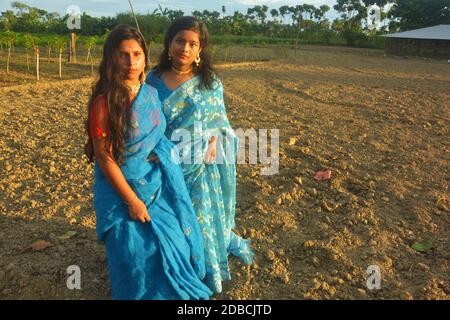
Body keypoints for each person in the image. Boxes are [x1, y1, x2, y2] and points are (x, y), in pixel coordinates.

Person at [84, 24, 212, 300]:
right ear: (111, 58)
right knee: (136, 253)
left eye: (137, 54)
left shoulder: (150, 94)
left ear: (145, 57)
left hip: (155, 184)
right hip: (121, 191)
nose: (131, 62)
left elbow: (157, 134)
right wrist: (132, 201)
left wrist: (162, 151)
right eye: (123, 55)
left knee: (178, 242)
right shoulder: (104, 103)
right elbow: (104, 158)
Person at [146, 16, 254, 294]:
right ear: (169, 44)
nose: (185, 47)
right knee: (167, 222)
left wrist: (214, 142)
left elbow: (220, 124)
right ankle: (168, 268)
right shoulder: (152, 80)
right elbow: (144, 122)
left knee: (197, 221)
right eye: (180, 40)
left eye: (192, 44)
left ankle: (200, 271)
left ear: (200, 50)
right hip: (161, 164)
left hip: (200, 166)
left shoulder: (210, 83)